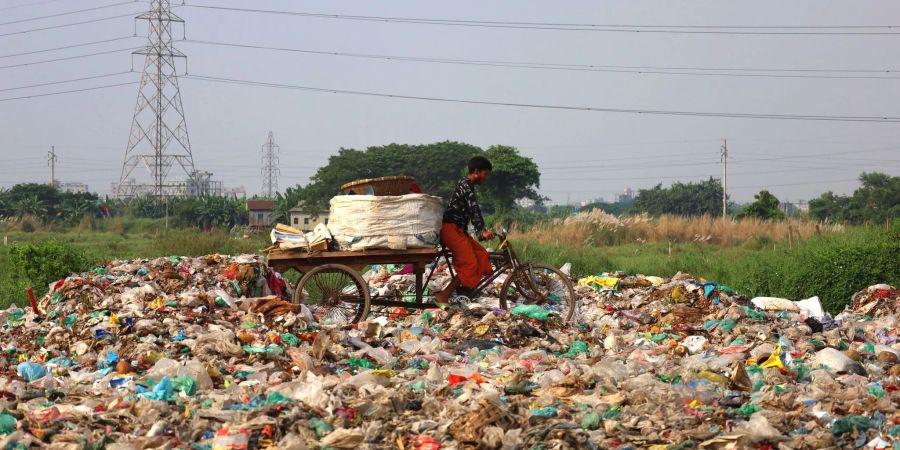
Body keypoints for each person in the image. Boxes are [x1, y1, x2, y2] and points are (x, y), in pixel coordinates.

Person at [436, 156, 495, 305]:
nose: (486, 178)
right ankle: (444, 295)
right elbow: (473, 208)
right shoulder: (465, 184)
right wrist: (481, 231)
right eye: (485, 174)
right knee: (469, 264)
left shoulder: (468, 185)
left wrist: (482, 231)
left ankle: (465, 290)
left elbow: (472, 210)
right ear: (476, 171)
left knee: (482, 255)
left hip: (459, 230)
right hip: (450, 229)